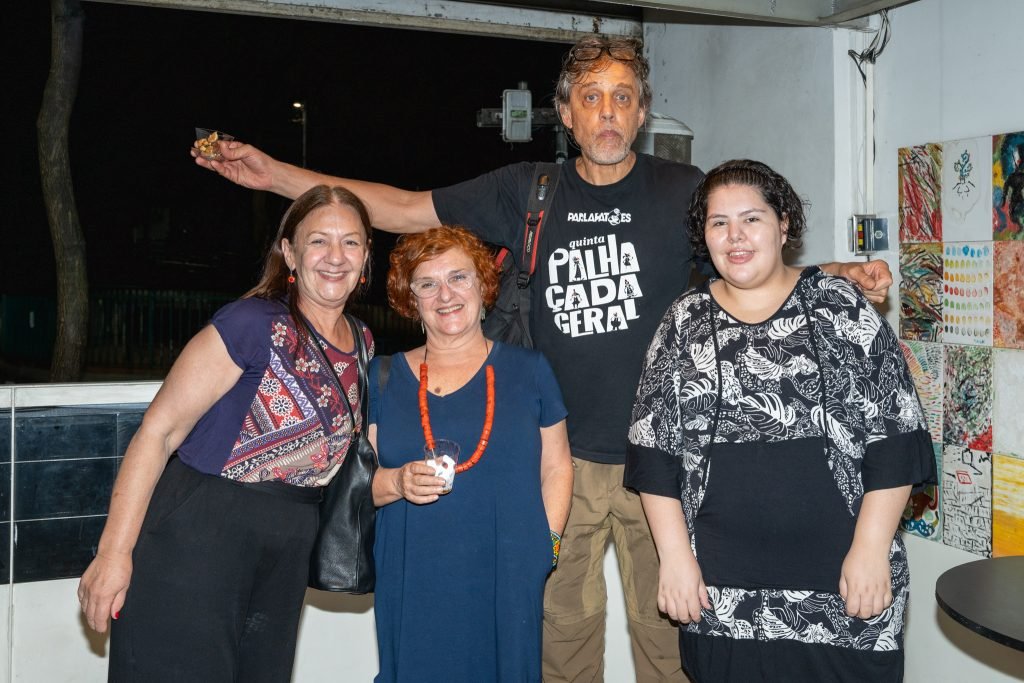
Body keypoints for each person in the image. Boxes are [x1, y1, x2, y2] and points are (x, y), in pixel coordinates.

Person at [192, 35, 894, 681]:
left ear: (643, 110)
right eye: (591, 96)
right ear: (565, 111)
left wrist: (829, 274)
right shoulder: (528, 190)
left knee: (671, 638)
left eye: (624, 96)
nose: (608, 111)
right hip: (563, 466)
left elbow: (744, 261)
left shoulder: (683, 193)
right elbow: (405, 208)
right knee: (561, 639)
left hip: (667, 465)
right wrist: (275, 176)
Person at [625, 160, 936, 682]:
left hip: (845, 591)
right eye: (718, 223)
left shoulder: (840, 307)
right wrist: (675, 561)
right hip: (720, 599)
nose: (735, 237)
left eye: (752, 219)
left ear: (784, 224)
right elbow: (655, 455)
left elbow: (897, 436)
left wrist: (870, 550)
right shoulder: (683, 322)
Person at [77, 185, 374, 682]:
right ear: (290, 252)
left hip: (288, 547)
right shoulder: (252, 323)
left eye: (351, 242)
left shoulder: (362, 343)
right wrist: (113, 554)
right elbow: (159, 431)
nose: (335, 257)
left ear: (366, 255)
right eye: (318, 241)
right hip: (201, 532)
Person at [367, 225, 573, 682]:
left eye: (459, 277)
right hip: (414, 569)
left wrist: (548, 546)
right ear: (410, 298)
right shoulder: (381, 377)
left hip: (509, 567)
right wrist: (398, 482)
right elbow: (361, 485)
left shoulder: (530, 370)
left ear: (483, 286)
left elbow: (557, 465)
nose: (445, 294)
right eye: (427, 283)